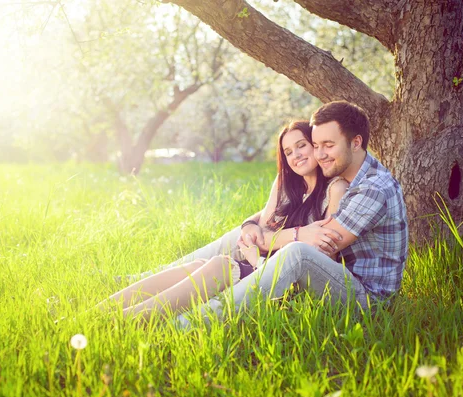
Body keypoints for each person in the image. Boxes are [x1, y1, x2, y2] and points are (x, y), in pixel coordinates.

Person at [176, 101, 408, 327]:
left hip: (367, 300)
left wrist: (264, 247)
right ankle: (149, 280)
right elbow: (271, 218)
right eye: (316, 145)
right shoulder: (351, 173)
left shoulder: (373, 189)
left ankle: (188, 324)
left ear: (355, 142)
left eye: (328, 145)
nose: (320, 154)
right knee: (243, 236)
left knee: (298, 253)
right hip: (339, 279)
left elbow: (321, 245)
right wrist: (250, 225)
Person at [100, 121, 348, 318]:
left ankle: (125, 320)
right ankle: (102, 309)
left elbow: (322, 259)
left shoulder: (335, 189)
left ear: (315, 146)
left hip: (289, 281)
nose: (296, 155)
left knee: (220, 265)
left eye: (302, 145)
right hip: (262, 265)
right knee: (201, 264)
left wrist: (255, 255)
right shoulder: (291, 184)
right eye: (288, 151)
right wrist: (253, 235)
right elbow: (262, 227)